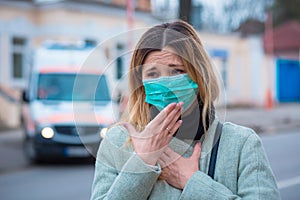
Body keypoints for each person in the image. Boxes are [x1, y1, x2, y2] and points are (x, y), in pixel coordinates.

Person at [90, 20, 280, 200]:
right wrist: (143, 162)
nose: (166, 84)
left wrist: (192, 181)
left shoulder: (241, 144)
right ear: (141, 83)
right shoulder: (117, 142)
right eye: (153, 74)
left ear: (199, 75)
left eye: (177, 71)